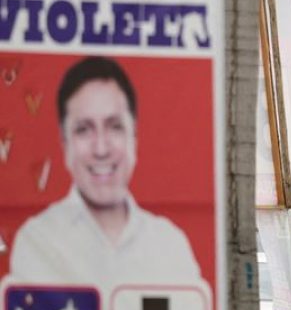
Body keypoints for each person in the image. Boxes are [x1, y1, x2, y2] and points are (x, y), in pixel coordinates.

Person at [9, 56, 201, 286]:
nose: (101, 149)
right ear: (64, 142)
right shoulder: (37, 241)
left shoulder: (170, 245)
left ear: (134, 136)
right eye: (83, 129)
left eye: (115, 127)